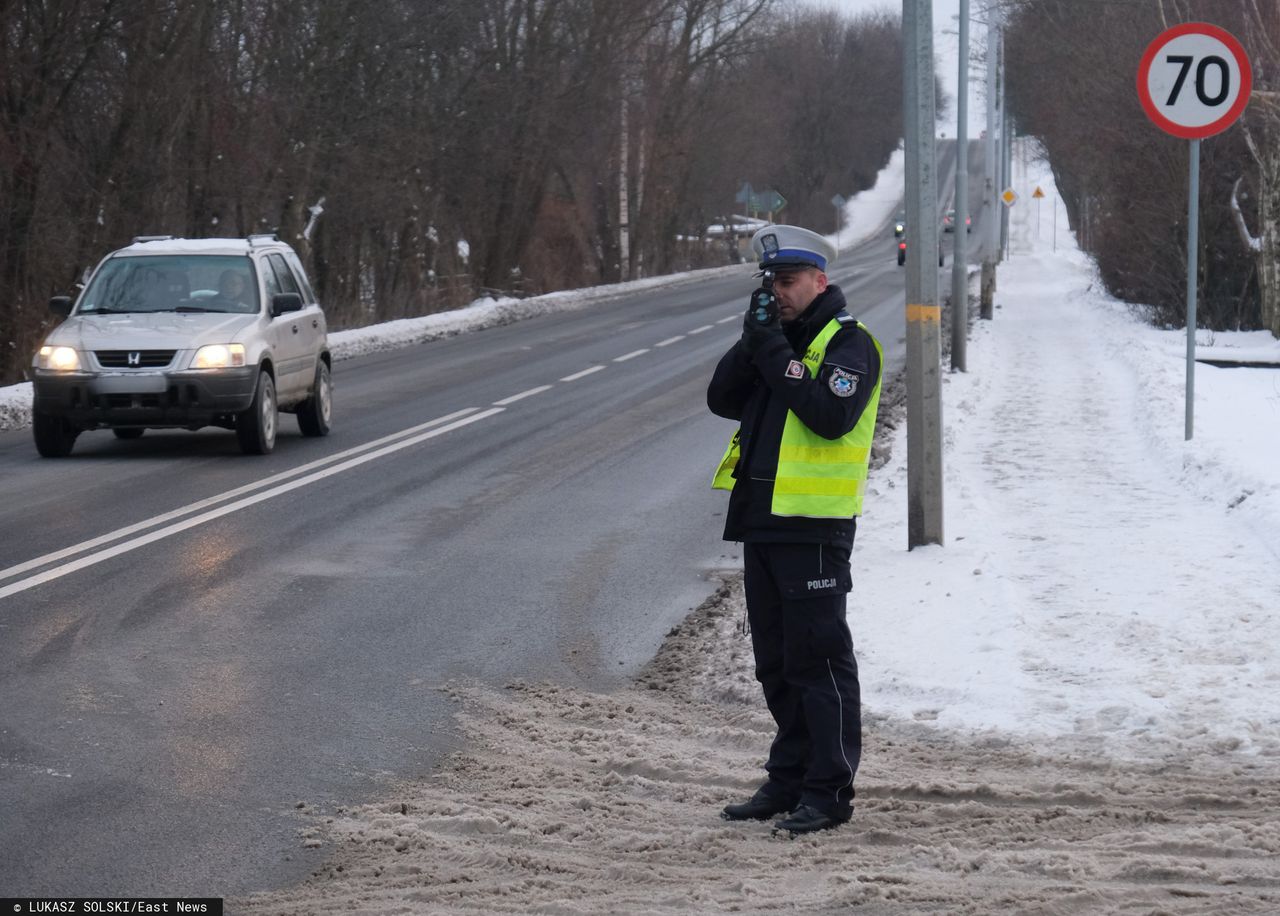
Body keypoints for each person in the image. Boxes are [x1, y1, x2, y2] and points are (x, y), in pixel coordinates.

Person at [707, 224, 883, 836]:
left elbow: (831, 416)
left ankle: (828, 790)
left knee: (820, 663)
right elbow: (721, 398)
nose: (778, 292)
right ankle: (788, 779)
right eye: (771, 283)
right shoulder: (776, 340)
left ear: (820, 281)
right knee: (776, 664)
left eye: (788, 282)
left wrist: (776, 352)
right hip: (763, 523)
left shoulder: (849, 344)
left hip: (813, 529)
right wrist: (755, 339)